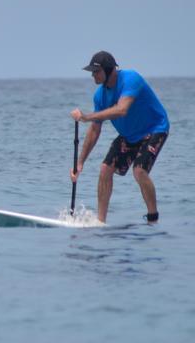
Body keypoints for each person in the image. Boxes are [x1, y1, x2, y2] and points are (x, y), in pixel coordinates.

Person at [70, 51, 170, 224]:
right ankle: (100, 222)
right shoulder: (100, 95)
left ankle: (153, 219)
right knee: (104, 169)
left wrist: (86, 117)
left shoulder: (131, 79)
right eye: (92, 72)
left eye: (96, 71)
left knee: (139, 171)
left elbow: (121, 110)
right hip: (129, 135)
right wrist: (80, 163)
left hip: (154, 129)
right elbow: (94, 130)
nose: (93, 75)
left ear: (109, 70)